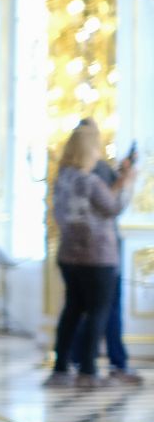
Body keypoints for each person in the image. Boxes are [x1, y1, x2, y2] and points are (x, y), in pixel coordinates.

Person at [45, 123, 136, 389]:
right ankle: (88, 371)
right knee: (98, 313)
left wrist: (117, 183)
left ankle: (61, 368)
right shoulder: (91, 181)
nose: (99, 153)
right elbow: (113, 207)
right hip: (98, 258)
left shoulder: (63, 178)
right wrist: (127, 183)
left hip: (69, 256)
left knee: (72, 311)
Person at [68, 119, 142, 385]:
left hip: (80, 254)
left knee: (82, 310)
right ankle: (111, 364)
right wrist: (127, 180)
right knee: (104, 311)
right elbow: (112, 206)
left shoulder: (74, 171)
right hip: (101, 253)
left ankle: (79, 361)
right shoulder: (92, 169)